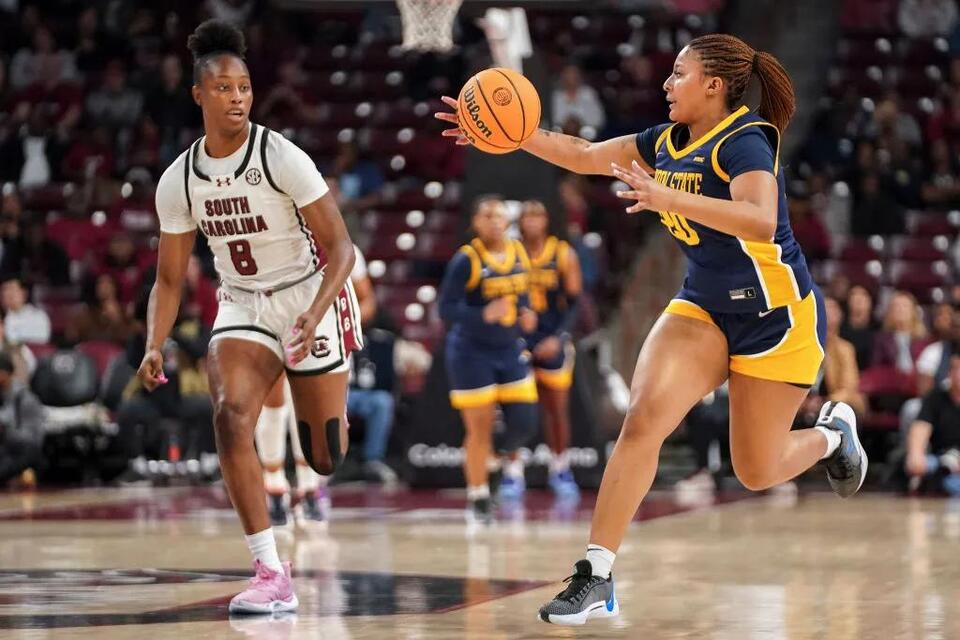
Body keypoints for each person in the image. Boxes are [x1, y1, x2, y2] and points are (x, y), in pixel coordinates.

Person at [437, 33, 866, 625]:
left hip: (776, 318)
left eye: (678, 73)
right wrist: (513, 135)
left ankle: (833, 436)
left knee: (756, 470)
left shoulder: (745, 140)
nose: (667, 84)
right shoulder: (662, 143)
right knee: (642, 420)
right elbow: (585, 155)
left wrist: (668, 197)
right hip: (704, 308)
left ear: (713, 86)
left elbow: (759, 221)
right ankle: (596, 574)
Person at [140, 20, 362, 615]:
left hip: (308, 294)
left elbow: (342, 249)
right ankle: (270, 571)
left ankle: (327, 406)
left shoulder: (280, 155)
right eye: (224, 88)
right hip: (242, 301)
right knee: (230, 415)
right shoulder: (179, 180)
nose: (237, 98)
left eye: (244, 88)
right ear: (199, 95)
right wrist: (154, 342)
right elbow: (168, 279)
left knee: (325, 457)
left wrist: (315, 313)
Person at [255, 244, 379, 529]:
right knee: (273, 404)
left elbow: (367, 300)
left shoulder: (345, 249)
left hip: (324, 337)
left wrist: (340, 322)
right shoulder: (278, 240)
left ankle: (309, 487)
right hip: (279, 323)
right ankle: (274, 487)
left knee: (315, 411)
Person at [438, 196, 539, 523]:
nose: (494, 221)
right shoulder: (466, 259)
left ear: (507, 221)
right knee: (479, 427)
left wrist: (525, 312)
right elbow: (445, 309)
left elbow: (522, 294)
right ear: (476, 222)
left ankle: (492, 460)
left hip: (509, 349)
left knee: (524, 422)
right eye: (487, 216)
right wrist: (483, 314)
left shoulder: (518, 251)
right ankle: (478, 495)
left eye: (498, 215)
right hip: (471, 352)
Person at [518, 200, 583, 498]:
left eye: (537, 216)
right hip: (519, 339)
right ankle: (512, 472)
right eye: (527, 217)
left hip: (551, 337)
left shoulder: (562, 253)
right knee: (515, 409)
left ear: (546, 221)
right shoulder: (511, 252)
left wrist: (559, 337)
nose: (532, 222)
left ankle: (560, 468)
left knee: (556, 409)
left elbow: (575, 303)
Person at [905, 347, 960, 494]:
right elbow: (921, 427)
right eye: (955, 369)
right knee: (925, 466)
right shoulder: (935, 398)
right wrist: (915, 456)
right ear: (949, 372)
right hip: (940, 459)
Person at [0, 351, 44, 486]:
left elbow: (33, 441)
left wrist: (6, 431)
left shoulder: (25, 399)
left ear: (5, 373)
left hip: (18, 451)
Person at [1, 277, 50, 344]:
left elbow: (40, 340)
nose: (7, 293)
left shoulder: (38, 316)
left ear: (24, 293)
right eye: (4, 289)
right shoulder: (3, 316)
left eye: (11, 289)